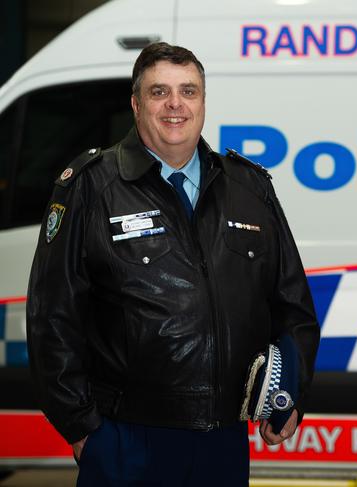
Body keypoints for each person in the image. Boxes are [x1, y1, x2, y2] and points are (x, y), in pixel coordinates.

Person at [26, 42, 320, 486]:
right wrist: (83, 428)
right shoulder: (92, 187)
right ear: (135, 103)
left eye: (189, 91)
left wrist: (288, 392)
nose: (175, 105)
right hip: (126, 437)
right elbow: (52, 315)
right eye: (159, 91)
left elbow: (293, 306)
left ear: (203, 100)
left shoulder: (249, 188)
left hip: (222, 440)